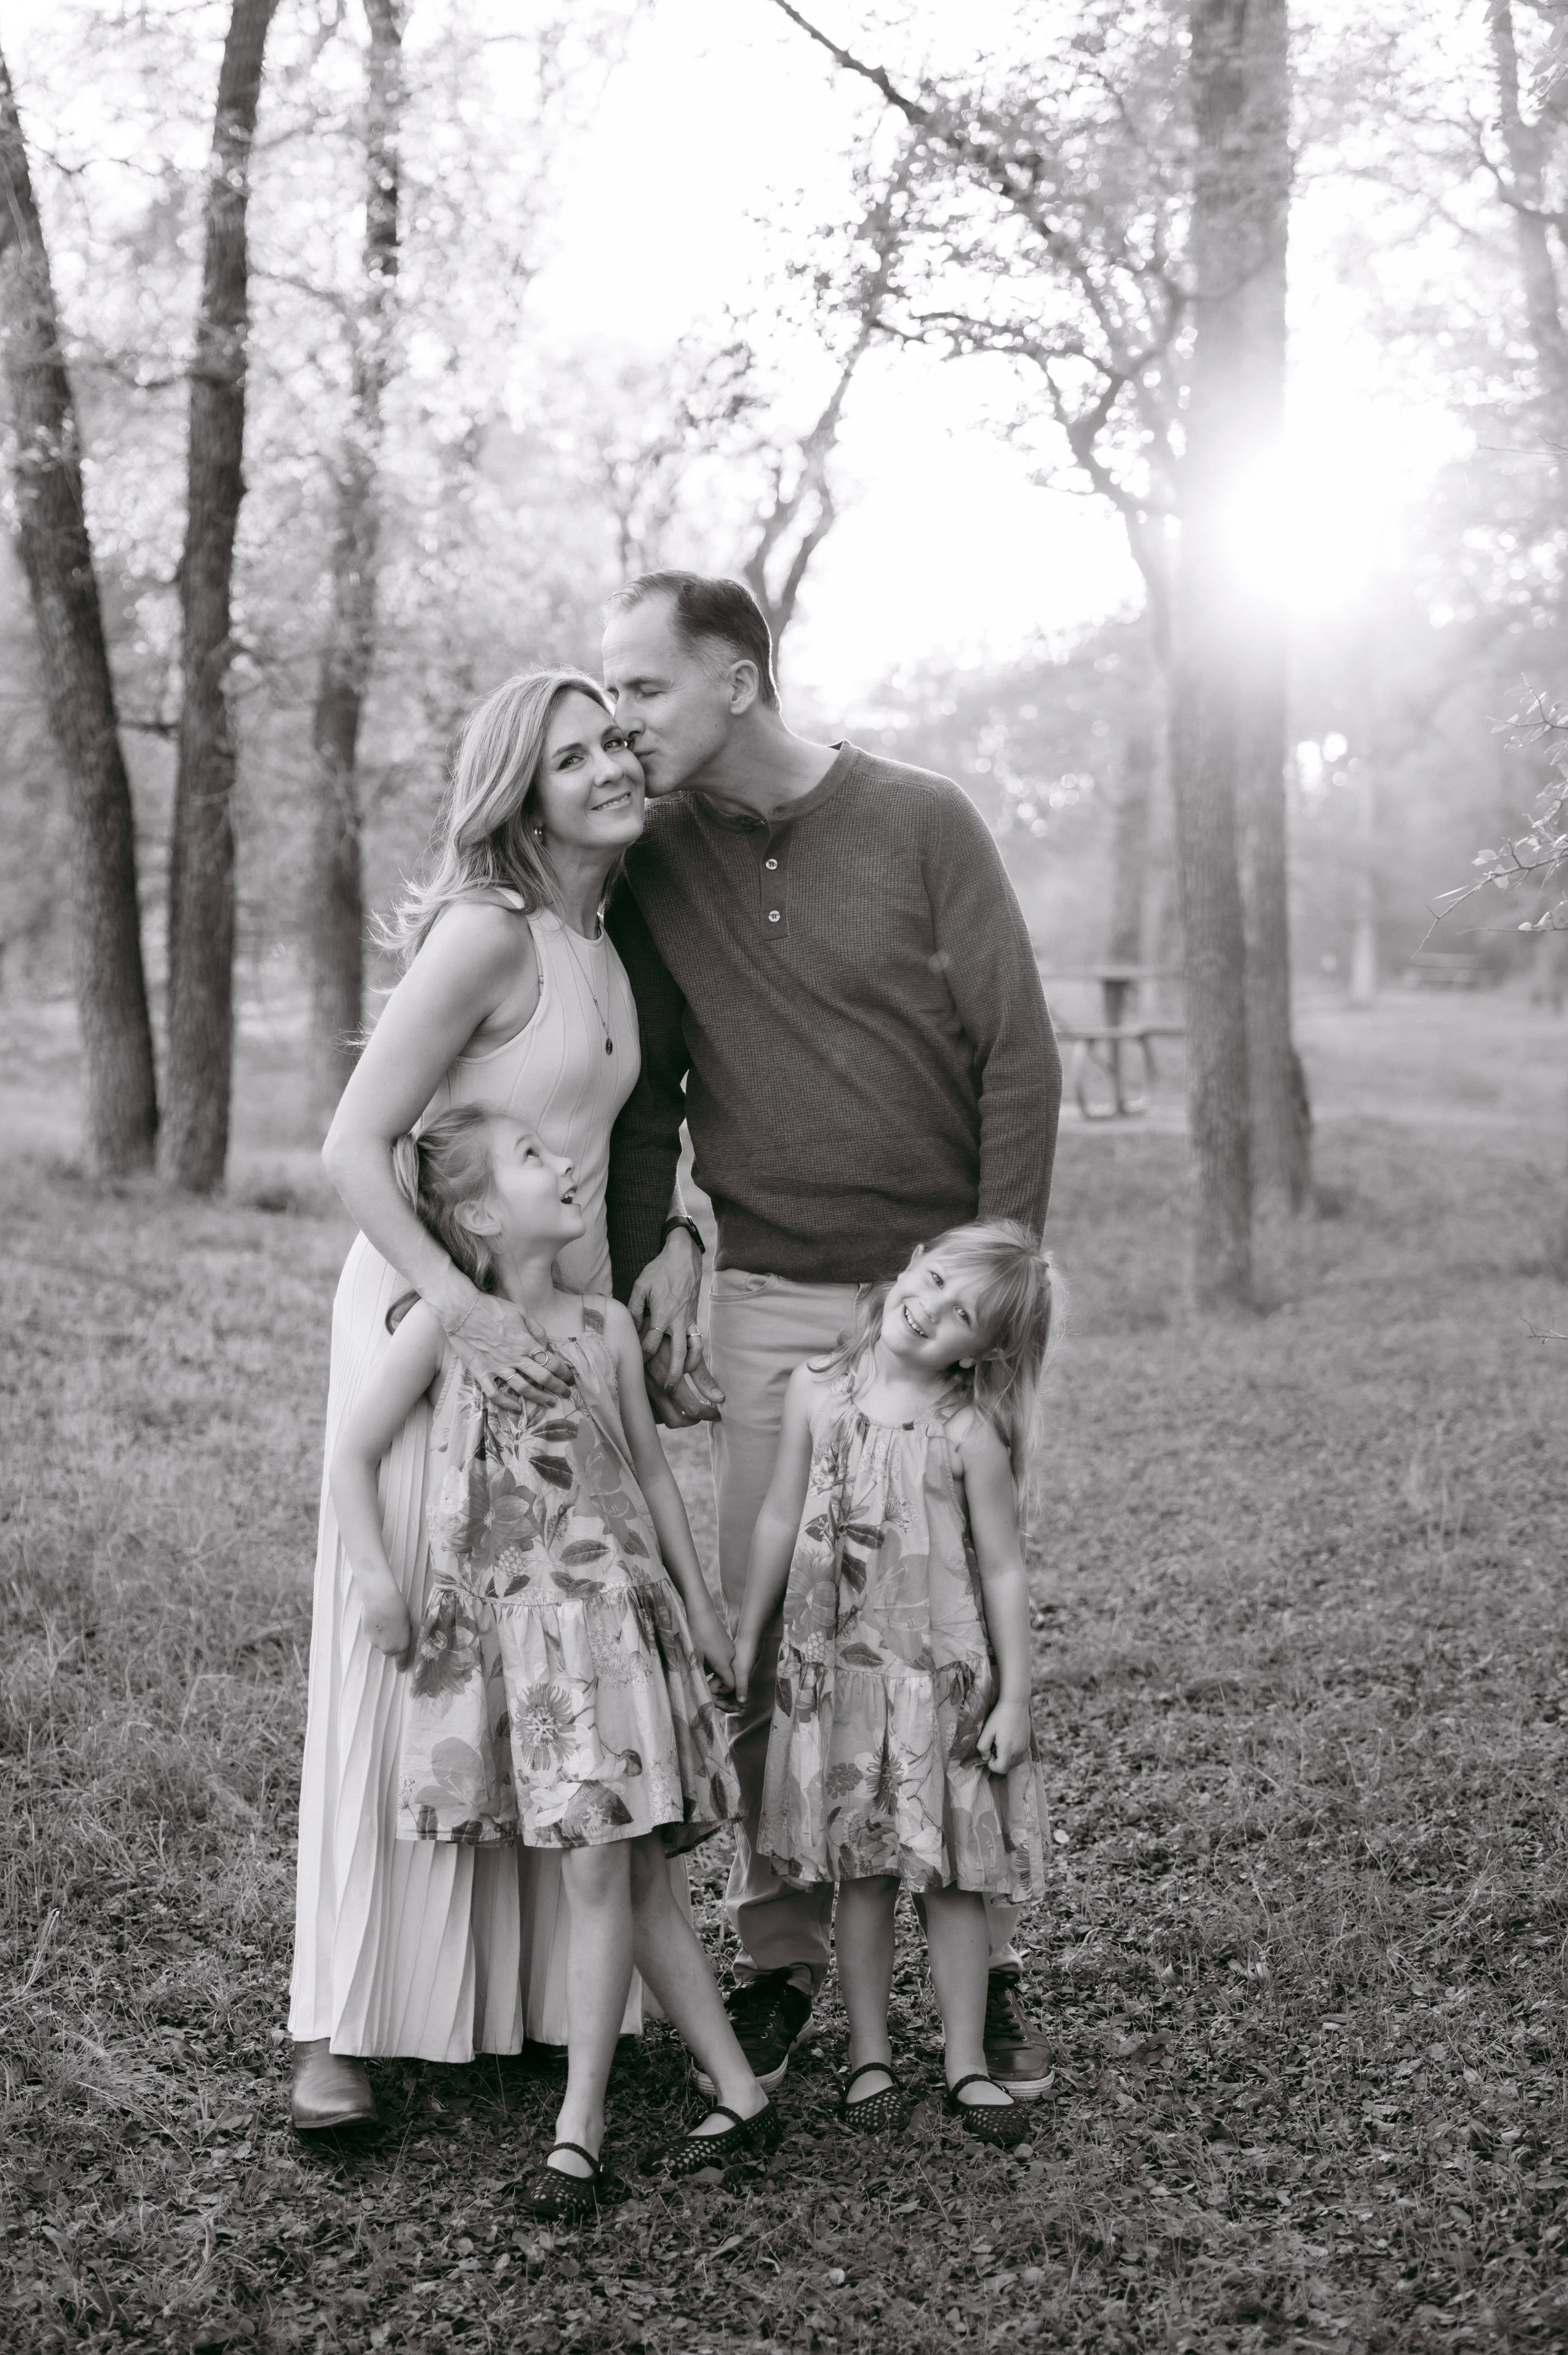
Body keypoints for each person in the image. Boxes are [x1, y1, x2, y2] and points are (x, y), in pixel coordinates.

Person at [602, 571, 1063, 2099]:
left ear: (735, 680)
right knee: (770, 1641)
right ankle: (784, 1952)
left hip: (928, 1311)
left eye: (644, 687)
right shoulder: (653, 855)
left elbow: (1016, 1054)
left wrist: (988, 1298)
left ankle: (983, 1960)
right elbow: (647, 1089)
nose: (621, 719)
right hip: (772, 1305)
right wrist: (647, 1259)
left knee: (949, 1639)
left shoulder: (921, 819)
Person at [288, 666, 716, 2132]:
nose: (609, 768)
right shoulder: (487, 932)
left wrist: (666, 1252)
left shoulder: (606, 937)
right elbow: (352, 1146)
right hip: (432, 1315)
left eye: (614, 744)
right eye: (570, 757)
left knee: (530, 1658)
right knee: (408, 1643)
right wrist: (457, 1308)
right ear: (519, 794)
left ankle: (515, 2003)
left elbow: (618, 1133)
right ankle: (340, 2025)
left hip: (549, 1337)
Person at [329, 1105, 777, 2217]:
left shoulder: (603, 1328)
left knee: (611, 1869)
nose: (565, 1162)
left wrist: (703, 1610)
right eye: (532, 1157)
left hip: (616, 1633)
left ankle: (582, 2123)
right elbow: (351, 1451)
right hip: (526, 1649)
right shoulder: (449, 1329)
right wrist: (378, 1581)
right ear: (481, 1214)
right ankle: (735, 2088)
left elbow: (655, 1478)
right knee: (626, 1872)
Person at [732, 1221, 1057, 2142]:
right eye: (938, 1279)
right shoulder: (817, 1388)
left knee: (952, 1881)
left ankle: (964, 2061)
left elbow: (1004, 1570)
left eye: (964, 1316)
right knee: (863, 1875)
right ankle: (867, 2054)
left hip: (938, 1687)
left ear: (981, 1352)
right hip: (839, 1680)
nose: (932, 1309)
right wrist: (750, 1632)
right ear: (912, 1260)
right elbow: (778, 1516)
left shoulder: (969, 1431)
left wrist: (1015, 1697)